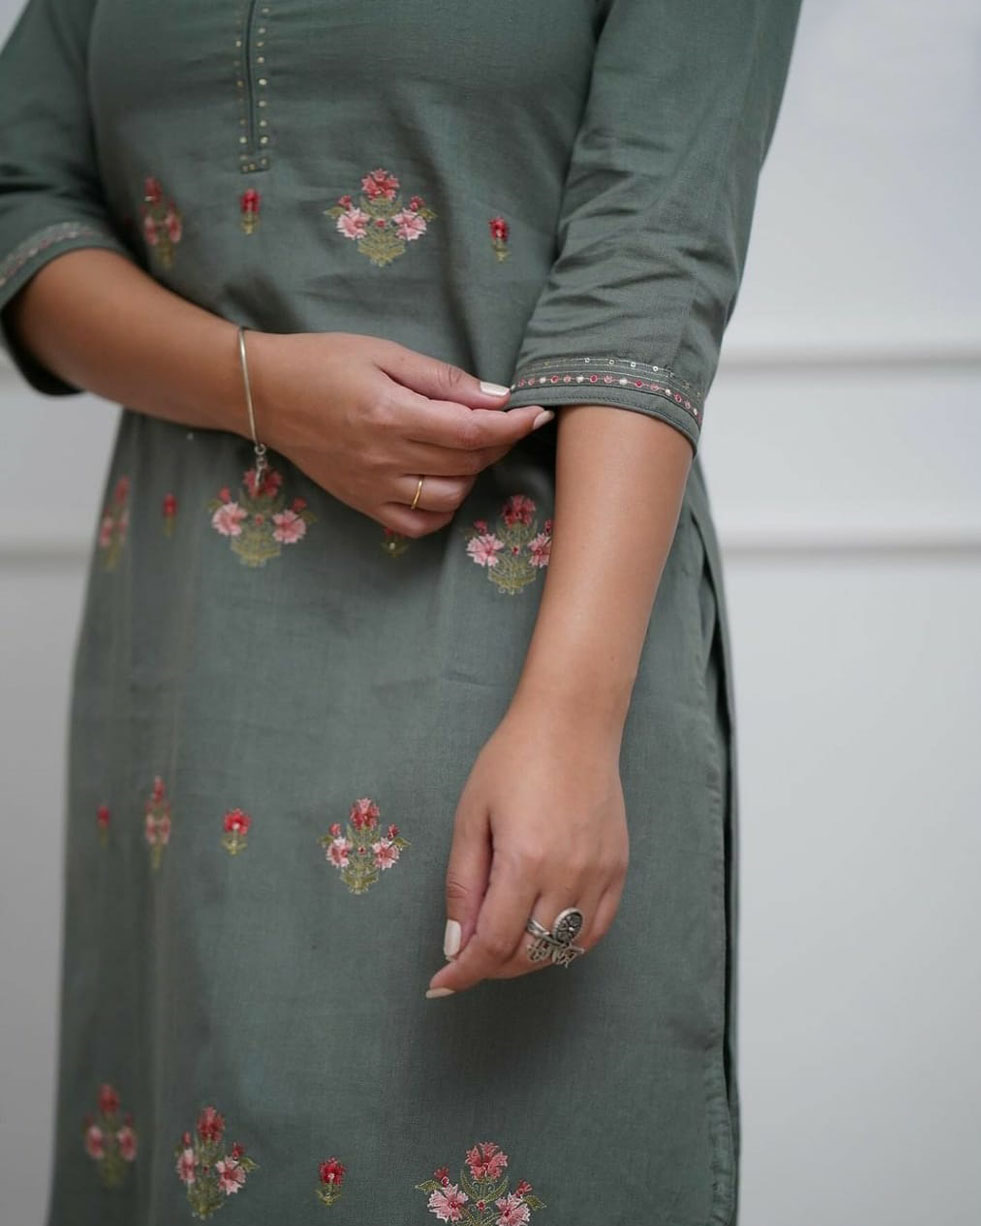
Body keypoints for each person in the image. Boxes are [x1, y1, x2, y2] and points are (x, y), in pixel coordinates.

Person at [0, 1, 802, 1222]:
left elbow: (654, 262)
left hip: (520, 649)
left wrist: (571, 721)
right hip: (192, 669)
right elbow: (19, 203)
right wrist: (258, 386)